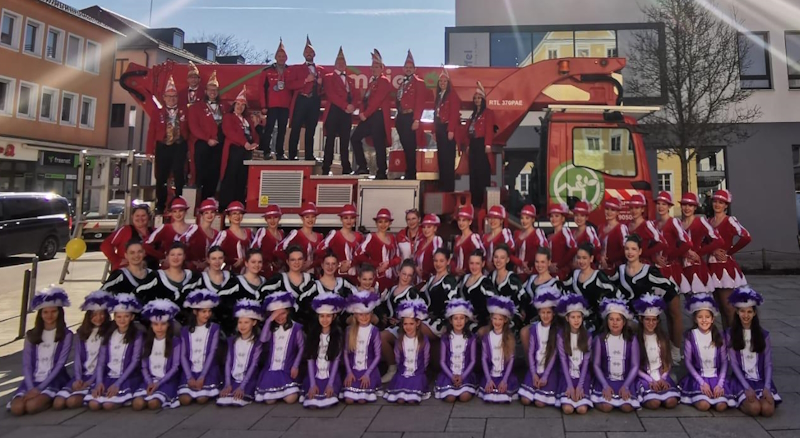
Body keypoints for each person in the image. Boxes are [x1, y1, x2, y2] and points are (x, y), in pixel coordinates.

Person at [610, 235, 681, 364]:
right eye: (627, 249)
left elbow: (670, 287)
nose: (630, 252)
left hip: (645, 321)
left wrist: (658, 307)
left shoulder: (649, 271)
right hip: (627, 320)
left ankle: (673, 353)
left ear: (640, 251)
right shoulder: (619, 271)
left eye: (633, 249)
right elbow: (610, 288)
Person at [8, 287, 73, 416]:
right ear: (40, 314)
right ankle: (37, 396)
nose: (49, 315)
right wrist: (31, 387)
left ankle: (49, 397)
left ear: (60, 312)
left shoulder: (66, 334)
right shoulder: (32, 334)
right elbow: (27, 364)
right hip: (32, 379)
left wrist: (40, 388)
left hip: (53, 378)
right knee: (17, 409)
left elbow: (60, 364)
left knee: (31, 407)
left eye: (53, 311)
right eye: (45, 312)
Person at [53, 291, 112, 410]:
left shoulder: (109, 333)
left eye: (101, 314)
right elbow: (78, 358)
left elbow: (103, 362)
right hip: (82, 375)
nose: (98, 318)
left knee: (72, 402)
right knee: (58, 403)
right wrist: (78, 378)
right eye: (94, 314)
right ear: (88, 316)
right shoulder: (81, 333)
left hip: (99, 376)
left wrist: (90, 382)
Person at [727, 286, 780, 416]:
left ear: (754, 313)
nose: (746, 315)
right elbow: (733, 364)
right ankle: (740, 400)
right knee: (755, 409)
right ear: (737, 312)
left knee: (767, 411)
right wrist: (746, 387)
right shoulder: (730, 334)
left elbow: (768, 363)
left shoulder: (763, 335)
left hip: (760, 379)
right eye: (742, 311)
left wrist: (767, 387)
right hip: (741, 380)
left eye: (749, 312)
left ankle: (759, 396)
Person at [85, 293, 143, 411]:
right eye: (119, 317)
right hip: (109, 376)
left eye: (126, 316)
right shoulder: (109, 334)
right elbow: (101, 361)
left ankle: (124, 397)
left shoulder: (137, 335)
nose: (122, 320)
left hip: (127, 378)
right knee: (93, 404)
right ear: (114, 317)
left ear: (132, 317)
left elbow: (134, 361)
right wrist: (99, 382)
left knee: (107, 405)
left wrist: (118, 384)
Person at [679, 293, 734, 411]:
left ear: (713, 318)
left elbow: (724, 362)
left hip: (716, 377)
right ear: (695, 318)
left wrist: (720, 384)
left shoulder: (719, 337)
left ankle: (716, 392)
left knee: (721, 406)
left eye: (707, 317)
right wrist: (701, 382)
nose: (704, 320)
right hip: (699, 378)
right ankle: (698, 395)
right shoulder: (691, 336)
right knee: (704, 405)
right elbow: (688, 362)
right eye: (700, 317)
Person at [708, 189, 751, 328]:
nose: (717, 204)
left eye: (721, 202)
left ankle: (735, 341)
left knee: (729, 309)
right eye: (715, 201)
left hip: (724, 267)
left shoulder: (730, 220)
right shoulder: (709, 222)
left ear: (726, 205)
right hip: (711, 267)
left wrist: (729, 252)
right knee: (720, 308)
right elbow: (703, 243)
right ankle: (728, 340)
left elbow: (746, 237)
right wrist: (712, 249)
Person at [591, 298, 640, 412]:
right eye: (611, 319)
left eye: (618, 319)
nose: (614, 322)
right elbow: (596, 365)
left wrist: (626, 385)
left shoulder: (632, 340)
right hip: (606, 379)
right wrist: (604, 385)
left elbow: (635, 365)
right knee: (606, 407)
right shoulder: (600, 339)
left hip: (625, 379)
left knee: (627, 407)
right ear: (606, 321)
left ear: (624, 322)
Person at [149, 76, 190, 214]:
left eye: (174, 97)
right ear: (164, 98)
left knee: (179, 173)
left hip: (179, 145)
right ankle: (160, 205)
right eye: (169, 96)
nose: (172, 99)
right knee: (161, 176)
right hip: (163, 145)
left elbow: (190, 130)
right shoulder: (158, 112)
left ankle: (179, 200)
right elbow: (151, 131)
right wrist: (149, 150)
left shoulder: (185, 111)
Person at [131, 299, 182, 411]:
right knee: (137, 404)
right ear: (151, 326)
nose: (159, 328)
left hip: (166, 381)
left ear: (169, 325)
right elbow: (144, 366)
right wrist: (149, 382)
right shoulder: (147, 342)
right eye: (155, 324)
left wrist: (158, 383)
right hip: (149, 381)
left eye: (163, 324)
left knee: (153, 404)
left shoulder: (175, 342)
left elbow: (175, 367)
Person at [255, 292, 305, 404]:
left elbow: (301, 347)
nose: (279, 317)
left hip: (288, 368)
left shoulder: (296, 328)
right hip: (272, 369)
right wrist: (269, 320)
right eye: (275, 314)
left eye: (282, 313)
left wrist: (295, 366)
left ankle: (286, 390)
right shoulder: (271, 328)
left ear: (288, 312)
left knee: (290, 399)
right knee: (269, 401)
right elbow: (263, 339)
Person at [633, 294, 680, 410]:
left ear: (658, 321)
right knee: (654, 403)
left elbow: (667, 362)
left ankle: (663, 390)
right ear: (641, 319)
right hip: (644, 377)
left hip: (661, 375)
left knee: (671, 402)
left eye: (654, 320)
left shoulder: (663, 338)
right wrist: (651, 380)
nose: (651, 323)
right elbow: (634, 366)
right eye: (647, 319)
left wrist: (663, 378)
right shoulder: (636, 340)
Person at [351, 49, 392, 179]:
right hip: (368, 117)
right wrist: (362, 112)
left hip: (377, 116)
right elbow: (365, 100)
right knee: (355, 138)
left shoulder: (384, 81)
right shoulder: (371, 83)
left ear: (382, 68)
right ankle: (363, 166)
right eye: (372, 66)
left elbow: (376, 100)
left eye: (376, 66)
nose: (374, 69)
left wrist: (366, 113)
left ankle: (382, 171)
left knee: (379, 143)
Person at [378, 260, 421, 383]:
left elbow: (417, 313)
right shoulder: (391, 289)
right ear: (398, 273)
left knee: (382, 337)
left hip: (405, 328)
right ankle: (392, 367)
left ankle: (395, 369)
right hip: (391, 326)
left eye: (409, 275)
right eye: (404, 274)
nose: (406, 277)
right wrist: (384, 316)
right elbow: (382, 306)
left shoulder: (412, 292)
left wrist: (400, 320)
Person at [216, 299, 264, 407]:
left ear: (254, 322)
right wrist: (227, 383)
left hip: (248, 380)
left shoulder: (257, 343)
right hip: (233, 378)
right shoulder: (233, 341)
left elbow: (254, 365)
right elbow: (228, 362)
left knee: (238, 400)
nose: (242, 326)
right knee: (223, 400)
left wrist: (242, 387)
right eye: (240, 322)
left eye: (246, 322)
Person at [178, 289, 222, 406]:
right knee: (185, 400)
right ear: (195, 312)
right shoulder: (185, 330)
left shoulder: (214, 328)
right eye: (203, 312)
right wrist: (189, 377)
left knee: (201, 399)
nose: (207, 315)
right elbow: (182, 355)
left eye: (209, 311)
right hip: (191, 371)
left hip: (207, 371)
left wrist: (202, 377)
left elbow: (212, 353)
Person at [519, 287, 561, 408]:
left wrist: (545, 376)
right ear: (538, 313)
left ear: (553, 313)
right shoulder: (534, 329)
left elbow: (554, 354)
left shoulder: (557, 331)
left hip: (549, 370)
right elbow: (531, 352)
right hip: (536, 368)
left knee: (540, 403)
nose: (546, 315)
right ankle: (532, 379)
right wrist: (533, 374)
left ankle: (548, 384)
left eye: (548, 312)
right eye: (543, 312)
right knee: (526, 400)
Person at [219, 86, 259, 211]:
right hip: (234, 150)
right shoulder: (228, 117)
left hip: (245, 152)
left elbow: (254, 134)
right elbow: (229, 132)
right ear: (234, 105)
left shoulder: (247, 120)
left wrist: (256, 143)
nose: (240, 107)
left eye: (243, 105)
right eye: (238, 104)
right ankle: (226, 205)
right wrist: (245, 143)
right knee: (231, 177)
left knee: (242, 178)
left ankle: (239, 204)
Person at [384, 299, 431, 404]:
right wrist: (402, 372)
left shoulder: (424, 340)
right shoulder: (400, 340)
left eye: (411, 324)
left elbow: (426, 359)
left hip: (418, 374)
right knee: (400, 400)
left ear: (417, 323)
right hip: (403, 373)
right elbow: (398, 358)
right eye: (405, 324)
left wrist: (420, 372)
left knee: (412, 399)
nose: (408, 327)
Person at [562, 243, 616, 333]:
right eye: (579, 258)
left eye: (584, 258)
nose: (581, 261)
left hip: (594, 322)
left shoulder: (598, 276)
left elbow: (612, 293)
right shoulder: (573, 275)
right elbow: (564, 293)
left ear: (591, 258)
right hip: (575, 320)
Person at [303, 293, 345, 409]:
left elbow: (336, 360)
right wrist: (312, 384)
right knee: (312, 404)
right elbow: (310, 358)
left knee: (329, 401)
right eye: (322, 316)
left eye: (328, 316)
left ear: (334, 316)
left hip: (331, 374)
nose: (325, 319)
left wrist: (330, 384)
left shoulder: (338, 335)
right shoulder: (313, 334)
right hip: (315, 375)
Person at [188, 70, 224, 204]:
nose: (213, 92)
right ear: (206, 91)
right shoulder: (196, 107)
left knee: (215, 173)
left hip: (218, 145)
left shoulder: (223, 107)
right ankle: (199, 202)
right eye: (210, 89)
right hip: (203, 144)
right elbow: (194, 127)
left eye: (215, 90)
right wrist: (207, 139)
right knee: (201, 173)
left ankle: (210, 200)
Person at [260, 246, 318, 326]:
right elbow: (262, 295)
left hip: (308, 326)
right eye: (293, 260)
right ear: (287, 261)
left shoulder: (311, 279)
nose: (296, 262)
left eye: (300, 259)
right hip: (283, 327)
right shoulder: (278, 280)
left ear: (304, 261)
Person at [321, 47, 357, 175]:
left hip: (346, 113)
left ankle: (346, 167)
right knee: (330, 140)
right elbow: (331, 95)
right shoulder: (329, 77)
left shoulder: (350, 80)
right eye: (339, 63)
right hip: (334, 111)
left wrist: (353, 106)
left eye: (343, 63)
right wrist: (345, 106)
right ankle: (326, 167)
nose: (341, 65)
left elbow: (356, 95)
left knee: (345, 141)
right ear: (335, 65)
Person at [287, 36, 324, 161]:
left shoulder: (320, 70)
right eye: (306, 52)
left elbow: (326, 89)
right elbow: (290, 84)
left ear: (314, 54)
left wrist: (320, 84)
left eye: (311, 52)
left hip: (314, 101)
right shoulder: (297, 68)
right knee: (296, 127)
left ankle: (309, 155)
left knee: (311, 129)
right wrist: (305, 81)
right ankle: (292, 154)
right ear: (304, 54)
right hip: (301, 99)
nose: (309, 54)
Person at [342, 291, 382, 404]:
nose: (364, 317)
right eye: (361, 314)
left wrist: (367, 374)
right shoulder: (349, 330)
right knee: (349, 400)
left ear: (372, 313)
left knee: (362, 400)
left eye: (367, 313)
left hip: (369, 370)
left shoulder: (374, 331)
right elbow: (345, 353)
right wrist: (349, 372)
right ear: (355, 315)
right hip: (353, 370)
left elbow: (378, 355)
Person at [434, 299, 478, 402]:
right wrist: (452, 376)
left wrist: (462, 376)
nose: (459, 321)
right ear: (450, 320)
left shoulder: (471, 338)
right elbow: (442, 361)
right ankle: (450, 383)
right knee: (450, 398)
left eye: (462, 318)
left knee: (464, 397)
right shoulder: (445, 338)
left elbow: (472, 360)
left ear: (466, 320)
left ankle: (464, 385)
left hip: (465, 374)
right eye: (455, 318)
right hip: (449, 373)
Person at [556, 294, 593, 414]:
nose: (576, 320)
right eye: (573, 317)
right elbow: (563, 361)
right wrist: (570, 386)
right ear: (567, 318)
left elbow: (586, 363)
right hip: (567, 377)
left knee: (582, 409)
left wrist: (580, 385)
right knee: (568, 409)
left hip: (582, 377)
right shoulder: (561, 336)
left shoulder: (587, 336)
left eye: (579, 317)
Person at [679, 192, 723, 294]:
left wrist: (699, 252)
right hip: (682, 268)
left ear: (695, 208)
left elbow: (718, 240)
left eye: (690, 205)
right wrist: (684, 253)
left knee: (701, 303)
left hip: (697, 268)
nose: (687, 208)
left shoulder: (701, 221)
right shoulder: (678, 224)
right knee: (689, 304)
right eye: (684, 205)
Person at [478, 295, 519, 403]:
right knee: (489, 397)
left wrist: (505, 380)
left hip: (505, 375)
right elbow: (484, 359)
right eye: (495, 318)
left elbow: (511, 360)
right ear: (491, 319)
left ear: (505, 320)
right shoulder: (487, 337)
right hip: (491, 374)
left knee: (503, 397)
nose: (497, 322)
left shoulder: (508, 337)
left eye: (500, 319)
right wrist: (488, 379)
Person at [395, 50, 427, 180]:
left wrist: (416, 120)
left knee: (410, 147)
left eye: (410, 68)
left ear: (415, 69)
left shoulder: (419, 82)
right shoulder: (402, 84)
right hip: (401, 117)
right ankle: (408, 172)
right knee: (405, 145)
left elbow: (420, 102)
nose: (408, 70)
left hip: (410, 117)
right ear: (403, 69)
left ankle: (411, 173)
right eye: (406, 68)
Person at [217, 249, 265, 336]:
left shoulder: (265, 282)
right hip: (240, 332)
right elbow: (220, 301)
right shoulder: (236, 282)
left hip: (260, 332)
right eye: (253, 262)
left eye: (259, 262)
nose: (257, 265)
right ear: (246, 263)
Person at [354, 208, 401, 293]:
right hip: (376, 278)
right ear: (376, 223)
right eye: (380, 222)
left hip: (392, 278)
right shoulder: (371, 237)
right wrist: (376, 264)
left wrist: (388, 263)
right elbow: (358, 254)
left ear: (390, 223)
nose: (383, 225)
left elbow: (398, 258)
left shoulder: (392, 238)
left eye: (386, 222)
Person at [521, 248, 562, 344]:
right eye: (537, 262)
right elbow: (523, 298)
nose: (539, 265)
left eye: (543, 262)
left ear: (549, 262)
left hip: (547, 321)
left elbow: (558, 309)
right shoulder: (530, 279)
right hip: (529, 319)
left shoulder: (555, 284)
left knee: (525, 332)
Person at [135, 242, 194, 308]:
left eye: (179, 254)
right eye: (172, 255)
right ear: (167, 256)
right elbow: (138, 293)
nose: (176, 257)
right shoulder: (156, 276)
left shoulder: (192, 276)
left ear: (184, 257)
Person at [260, 39, 292, 160]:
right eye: (279, 56)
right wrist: (263, 105)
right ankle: (266, 152)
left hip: (285, 105)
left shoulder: (290, 71)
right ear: (276, 57)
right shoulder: (267, 71)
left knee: (282, 130)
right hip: (271, 105)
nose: (281, 58)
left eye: (283, 56)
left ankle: (280, 152)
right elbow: (261, 89)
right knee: (269, 129)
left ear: (286, 57)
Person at [653, 191, 692, 291]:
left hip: (671, 268)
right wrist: (655, 257)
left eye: (664, 204)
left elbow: (687, 243)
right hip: (657, 268)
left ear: (669, 206)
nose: (660, 207)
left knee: (673, 302)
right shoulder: (653, 224)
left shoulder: (673, 222)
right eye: (658, 203)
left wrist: (670, 257)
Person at [314, 204, 362, 283]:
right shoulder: (335, 234)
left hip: (355, 276)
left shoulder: (359, 236)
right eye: (346, 218)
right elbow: (319, 251)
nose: (349, 221)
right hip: (337, 276)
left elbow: (362, 256)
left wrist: (352, 263)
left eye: (352, 218)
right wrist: (337, 265)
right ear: (341, 219)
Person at [420, 248, 459, 343]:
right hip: (426, 318)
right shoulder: (431, 279)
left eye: (441, 261)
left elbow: (453, 306)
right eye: (436, 261)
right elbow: (421, 299)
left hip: (441, 322)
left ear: (448, 261)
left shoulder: (449, 280)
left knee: (414, 329)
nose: (438, 264)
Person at [101, 203, 155, 271]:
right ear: (132, 217)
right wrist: (117, 260)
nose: (140, 218)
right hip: (127, 272)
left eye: (143, 215)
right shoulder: (125, 230)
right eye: (137, 216)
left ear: (149, 217)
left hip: (150, 272)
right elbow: (105, 245)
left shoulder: (154, 232)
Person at [465, 81, 494, 206]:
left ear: (483, 100)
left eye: (479, 98)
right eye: (475, 98)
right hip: (473, 144)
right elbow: (468, 131)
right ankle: (474, 202)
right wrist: (467, 145)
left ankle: (482, 201)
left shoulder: (488, 113)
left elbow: (489, 129)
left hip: (481, 144)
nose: (477, 100)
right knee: (474, 173)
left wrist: (488, 144)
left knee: (482, 173)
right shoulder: (473, 115)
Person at [433, 68, 461, 192]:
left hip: (447, 128)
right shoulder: (438, 96)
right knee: (441, 158)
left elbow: (454, 113)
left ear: (448, 83)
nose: (442, 83)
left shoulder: (452, 95)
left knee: (448, 159)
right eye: (441, 81)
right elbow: (435, 114)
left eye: (445, 81)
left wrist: (451, 130)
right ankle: (442, 185)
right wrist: (434, 131)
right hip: (439, 128)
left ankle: (449, 187)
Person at [145, 196, 193, 262]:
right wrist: (163, 257)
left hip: (187, 270)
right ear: (171, 213)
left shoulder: (194, 229)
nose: (178, 214)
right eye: (174, 211)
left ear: (185, 211)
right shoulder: (165, 228)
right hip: (169, 268)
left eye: (181, 211)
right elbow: (145, 245)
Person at [457, 250, 496, 333]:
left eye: (477, 263)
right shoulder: (464, 278)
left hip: (480, 322)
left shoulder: (485, 282)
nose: (474, 267)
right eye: (472, 263)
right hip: (462, 319)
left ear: (483, 264)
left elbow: (494, 305)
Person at [277, 201, 322, 271]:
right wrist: (294, 264)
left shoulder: (320, 236)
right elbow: (278, 250)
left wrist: (313, 264)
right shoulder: (295, 234)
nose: (310, 220)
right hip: (298, 273)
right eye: (307, 217)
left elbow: (322, 257)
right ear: (302, 218)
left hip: (316, 275)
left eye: (313, 217)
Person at [489, 244, 524, 332]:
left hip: (512, 316)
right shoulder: (490, 277)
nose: (498, 260)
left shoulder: (512, 278)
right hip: (495, 315)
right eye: (496, 257)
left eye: (502, 258)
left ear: (507, 260)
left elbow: (524, 298)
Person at [211, 202, 253, 272]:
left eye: (240, 213)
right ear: (229, 216)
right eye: (234, 213)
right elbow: (213, 252)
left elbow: (254, 251)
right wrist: (230, 261)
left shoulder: (249, 232)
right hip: (230, 273)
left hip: (247, 273)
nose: (237, 216)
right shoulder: (224, 234)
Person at [627, 193, 666, 264]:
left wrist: (645, 253)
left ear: (642, 209)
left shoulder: (647, 225)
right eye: (631, 208)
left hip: (644, 265)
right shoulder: (627, 225)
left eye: (637, 208)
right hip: (629, 265)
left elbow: (662, 243)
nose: (634, 211)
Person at [185, 199, 220, 271]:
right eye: (206, 213)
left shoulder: (217, 234)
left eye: (212, 212)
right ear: (201, 215)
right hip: (194, 271)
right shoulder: (194, 230)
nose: (210, 215)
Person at [515, 204, 548, 280]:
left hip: (533, 275)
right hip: (517, 274)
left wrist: (532, 267)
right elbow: (510, 253)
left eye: (527, 218)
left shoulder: (537, 233)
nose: (524, 221)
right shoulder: (517, 234)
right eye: (522, 218)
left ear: (533, 219)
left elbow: (545, 251)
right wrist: (519, 263)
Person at [251, 204, 284, 278]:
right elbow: (253, 251)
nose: (272, 221)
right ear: (266, 219)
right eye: (269, 218)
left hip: (278, 272)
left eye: (275, 217)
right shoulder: (262, 232)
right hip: (263, 272)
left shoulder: (281, 233)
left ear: (279, 218)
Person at [598, 197, 628, 275]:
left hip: (617, 270)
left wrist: (609, 259)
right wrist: (600, 258)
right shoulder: (600, 227)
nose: (609, 212)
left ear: (618, 212)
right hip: (601, 268)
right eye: (607, 209)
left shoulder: (621, 228)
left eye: (613, 210)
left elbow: (626, 249)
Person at [451, 205, 484, 276]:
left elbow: (482, 255)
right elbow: (453, 258)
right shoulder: (457, 239)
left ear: (470, 222)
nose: (461, 223)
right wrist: (455, 269)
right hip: (457, 277)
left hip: (470, 276)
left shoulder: (474, 237)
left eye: (464, 220)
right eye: (459, 220)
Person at [548, 203, 578, 280]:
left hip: (563, 273)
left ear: (563, 218)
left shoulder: (565, 231)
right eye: (551, 216)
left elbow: (574, 248)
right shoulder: (549, 236)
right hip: (550, 272)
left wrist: (559, 265)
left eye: (557, 216)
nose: (553, 219)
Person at [482, 205, 516, 272]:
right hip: (485, 273)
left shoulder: (505, 233)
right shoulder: (484, 237)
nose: (492, 220)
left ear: (501, 220)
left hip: (501, 271)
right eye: (490, 217)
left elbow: (511, 250)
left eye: (495, 218)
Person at [414, 214, 443, 283]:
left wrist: (426, 274)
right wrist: (416, 268)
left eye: (429, 227)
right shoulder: (421, 242)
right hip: (418, 280)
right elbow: (414, 260)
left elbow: (438, 260)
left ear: (435, 228)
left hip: (431, 280)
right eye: (424, 227)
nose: (426, 230)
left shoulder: (436, 240)